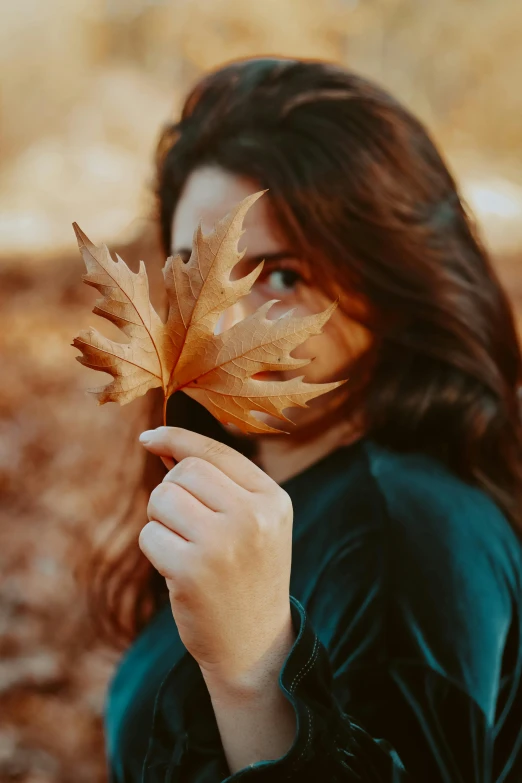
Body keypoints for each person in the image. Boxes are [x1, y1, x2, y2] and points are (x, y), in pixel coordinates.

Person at [95, 58, 522, 782]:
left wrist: (256, 675)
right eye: (191, 278)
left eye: (284, 277)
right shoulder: (262, 495)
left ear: (393, 282)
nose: (222, 324)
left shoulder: (410, 533)